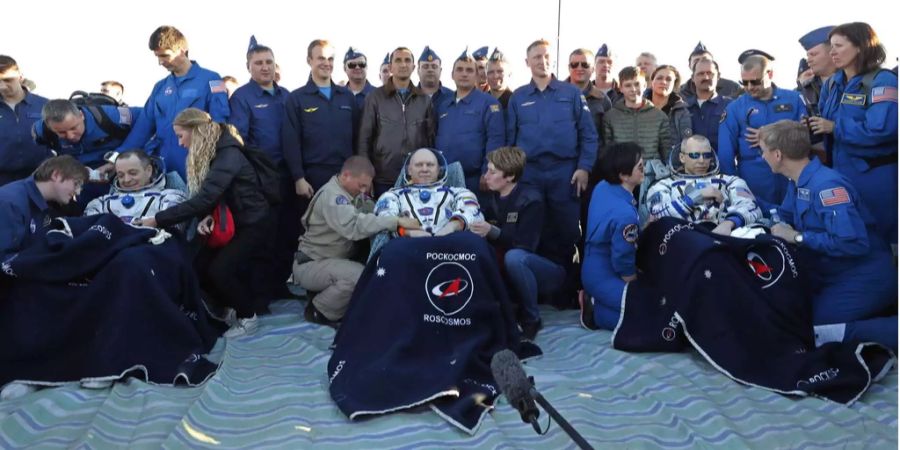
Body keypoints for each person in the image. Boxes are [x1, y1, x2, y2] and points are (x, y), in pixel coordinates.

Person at [760, 120, 896, 351]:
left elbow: (853, 244)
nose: (762, 157)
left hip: (864, 276)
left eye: (763, 151)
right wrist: (739, 199)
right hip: (832, 274)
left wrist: (798, 238)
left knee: (821, 331)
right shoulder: (800, 182)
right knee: (795, 319)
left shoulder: (827, 187)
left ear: (778, 154)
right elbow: (782, 216)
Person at [137, 108, 270, 338]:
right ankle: (228, 309)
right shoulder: (217, 149)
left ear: (195, 131)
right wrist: (207, 215)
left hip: (253, 222)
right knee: (199, 264)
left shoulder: (228, 154)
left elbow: (205, 196)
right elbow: (214, 194)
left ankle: (248, 317)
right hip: (234, 218)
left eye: (180, 135)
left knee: (220, 270)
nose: (180, 143)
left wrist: (156, 220)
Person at [506, 39, 599, 304]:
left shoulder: (571, 94)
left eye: (546, 56)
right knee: (532, 231)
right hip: (530, 173)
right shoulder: (518, 97)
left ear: (552, 60)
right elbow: (510, 142)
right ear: (527, 62)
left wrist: (583, 168)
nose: (541, 61)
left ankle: (565, 292)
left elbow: (588, 136)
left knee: (567, 231)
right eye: (536, 56)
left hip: (564, 172)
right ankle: (537, 292)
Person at [293, 156, 420, 326]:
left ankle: (326, 295)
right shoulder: (334, 197)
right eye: (360, 185)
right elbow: (354, 226)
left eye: (366, 186)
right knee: (358, 276)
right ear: (346, 175)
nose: (363, 191)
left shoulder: (352, 191)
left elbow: (373, 210)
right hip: (312, 263)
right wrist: (395, 222)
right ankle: (319, 310)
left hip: (331, 259)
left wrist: (400, 213)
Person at [812, 22, 897, 245]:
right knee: (851, 237)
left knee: (881, 240)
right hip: (839, 173)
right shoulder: (832, 84)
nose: (832, 52)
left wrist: (834, 127)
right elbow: (824, 121)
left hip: (875, 176)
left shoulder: (882, 81)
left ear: (860, 46)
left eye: (838, 46)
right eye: (831, 46)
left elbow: (882, 130)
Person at [115, 25, 230, 181]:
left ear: (182, 49)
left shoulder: (213, 79)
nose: (160, 62)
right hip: (163, 169)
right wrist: (116, 157)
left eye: (164, 56)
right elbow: (142, 128)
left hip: (197, 166)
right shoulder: (160, 87)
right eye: (157, 56)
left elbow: (220, 122)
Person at [470, 147, 561, 340]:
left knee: (515, 258)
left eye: (493, 172)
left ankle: (532, 318)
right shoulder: (491, 198)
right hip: (511, 269)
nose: (486, 176)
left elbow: (525, 245)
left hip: (545, 269)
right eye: (487, 170)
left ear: (510, 176)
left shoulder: (531, 200)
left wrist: (491, 232)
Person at [229, 35, 293, 301]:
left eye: (269, 62)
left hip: (288, 175)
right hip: (261, 178)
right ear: (249, 67)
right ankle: (261, 293)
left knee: (287, 233)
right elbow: (239, 139)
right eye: (258, 63)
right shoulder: (242, 98)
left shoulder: (286, 95)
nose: (265, 67)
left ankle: (280, 285)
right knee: (262, 236)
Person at [718, 53, 805, 213]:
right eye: (744, 82)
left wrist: (771, 136)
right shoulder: (735, 108)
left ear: (769, 74)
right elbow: (725, 154)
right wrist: (734, 187)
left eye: (755, 81)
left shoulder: (795, 100)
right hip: (754, 177)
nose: (750, 87)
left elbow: (807, 137)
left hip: (792, 175)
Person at [32, 99, 141, 211]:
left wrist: (117, 157)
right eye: (61, 132)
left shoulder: (110, 116)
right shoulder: (41, 132)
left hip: (121, 176)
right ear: (50, 127)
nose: (70, 136)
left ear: (81, 115)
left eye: (74, 128)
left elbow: (147, 121)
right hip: (83, 182)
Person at [581, 142, 644, 331]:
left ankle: (597, 299)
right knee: (642, 315)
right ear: (624, 175)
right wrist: (634, 286)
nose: (644, 170)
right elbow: (622, 261)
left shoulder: (603, 187)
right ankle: (594, 311)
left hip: (591, 265)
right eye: (640, 167)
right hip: (606, 270)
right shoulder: (626, 215)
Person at [357, 47, 435, 197]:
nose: (403, 64)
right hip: (383, 178)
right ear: (391, 67)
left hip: (417, 178)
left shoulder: (424, 100)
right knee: (385, 219)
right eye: (398, 60)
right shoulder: (375, 98)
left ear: (413, 67)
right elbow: (364, 139)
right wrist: (365, 174)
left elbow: (431, 140)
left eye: (407, 60)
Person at [646, 135, 762, 234]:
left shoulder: (730, 181)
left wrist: (729, 223)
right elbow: (657, 215)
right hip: (681, 242)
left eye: (706, 155)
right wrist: (696, 196)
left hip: (724, 239)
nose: (701, 160)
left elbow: (752, 208)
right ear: (682, 157)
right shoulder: (664, 185)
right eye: (695, 155)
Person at [600, 66, 670, 218]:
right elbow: (607, 150)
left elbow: (667, 151)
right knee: (623, 218)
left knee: (650, 221)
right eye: (628, 85)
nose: (633, 89)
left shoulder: (659, 116)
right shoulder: (610, 117)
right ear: (620, 87)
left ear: (645, 85)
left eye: (637, 84)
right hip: (622, 177)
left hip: (651, 177)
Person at [434, 50, 505, 193]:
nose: (464, 74)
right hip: (444, 180)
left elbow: (496, 140)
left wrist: (488, 171)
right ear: (452, 75)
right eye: (459, 69)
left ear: (477, 76)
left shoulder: (488, 103)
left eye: (469, 70)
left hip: (475, 181)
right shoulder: (442, 105)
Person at [375, 148, 482, 237]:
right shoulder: (393, 195)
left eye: (430, 165)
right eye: (419, 165)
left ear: (439, 170)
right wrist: (408, 232)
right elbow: (384, 219)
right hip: (407, 246)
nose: (425, 169)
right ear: (409, 170)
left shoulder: (458, 192)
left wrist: (452, 227)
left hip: (450, 244)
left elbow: (474, 213)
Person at [0, 155, 86, 259]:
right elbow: (5, 259)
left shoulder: (52, 205)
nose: (77, 192)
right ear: (56, 175)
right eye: (76, 184)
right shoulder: (11, 203)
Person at [84, 150, 186, 222]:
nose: (127, 180)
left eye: (133, 173)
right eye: (121, 175)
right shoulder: (100, 204)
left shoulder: (169, 198)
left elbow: (173, 229)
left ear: (149, 171)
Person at [0, 55, 51, 186]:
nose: (2, 86)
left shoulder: (45, 105)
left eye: (8, 80)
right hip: (3, 181)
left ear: (20, 77)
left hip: (41, 179)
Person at [684, 57, 733, 153]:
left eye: (710, 73)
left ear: (718, 76)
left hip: (723, 166)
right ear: (692, 78)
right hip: (691, 165)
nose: (706, 77)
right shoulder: (683, 107)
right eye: (700, 74)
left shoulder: (731, 106)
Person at [566, 48, 612, 137]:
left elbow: (607, 137)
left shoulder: (603, 100)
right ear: (569, 68)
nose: (579, 68)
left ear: (593, 69)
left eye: (585, 65)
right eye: (574, 64)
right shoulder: (554, 95)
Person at [647, 65, 692, 150]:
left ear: (674, 85)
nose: (663, 82)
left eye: (668, 79)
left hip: (670, 161)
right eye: (659, 78)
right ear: (652, 82)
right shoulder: (639, 106)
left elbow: (686, 143)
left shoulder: (681, 111)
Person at [344, 47, 375, 111]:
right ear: (344, 69)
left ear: (366, 67)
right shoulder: (337, 96)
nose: (357, 67)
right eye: (351, 65)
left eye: (362, 64)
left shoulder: (379, 96)